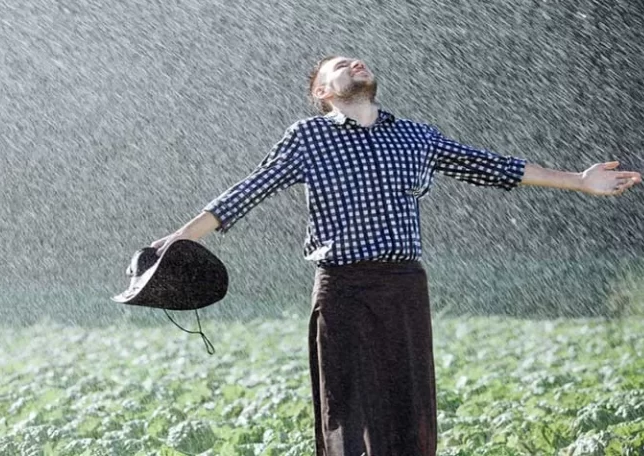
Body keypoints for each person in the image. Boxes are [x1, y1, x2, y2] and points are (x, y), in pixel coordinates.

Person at [149, 56, 642, 456]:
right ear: (323, 92)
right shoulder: (308, 137)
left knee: (409, 406)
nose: (355, 63)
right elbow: (246, 193)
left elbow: (492, 167)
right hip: (341, 288)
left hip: (404, 285)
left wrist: (578, 181)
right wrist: (179, 237)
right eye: (340, 65)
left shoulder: (415, 137)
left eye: (357, 60)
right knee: (346, 407)